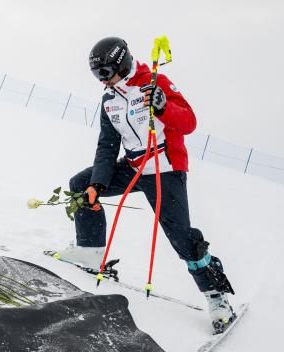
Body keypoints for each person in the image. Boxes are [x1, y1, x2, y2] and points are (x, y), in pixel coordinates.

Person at [57, 36, 236, 333]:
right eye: (97, 75)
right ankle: (90, 251)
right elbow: (107, 146)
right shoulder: (110, 100)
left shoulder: (156, 82)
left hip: (165, 170)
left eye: (106, 73)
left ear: (122, 63)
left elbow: (188, 122)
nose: (104, 81)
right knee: (81, 184)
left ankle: (216, 296)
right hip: (134, 167)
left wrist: (164, 107)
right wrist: (98, 184)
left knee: (182, 238)